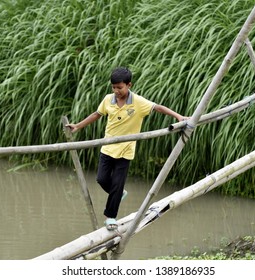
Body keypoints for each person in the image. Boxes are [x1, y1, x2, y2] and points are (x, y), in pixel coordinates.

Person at [66, 67, 187, 230]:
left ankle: (110, 217)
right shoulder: (108, 99)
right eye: (113, 87)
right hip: (108, 148)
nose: (116, 91)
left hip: (126, 151)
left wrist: (178, 117)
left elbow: (158, 107)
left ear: (129, 85)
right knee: (101, 179)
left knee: (117, 183)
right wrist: (78, 126)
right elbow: (97, 114)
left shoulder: (138, 102)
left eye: (119, 87)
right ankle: (119, 193)